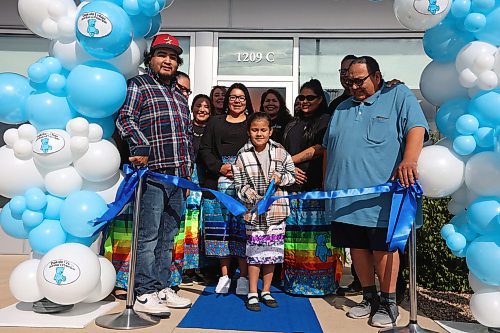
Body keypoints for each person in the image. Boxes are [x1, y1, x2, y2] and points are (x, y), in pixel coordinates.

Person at [323, 56, 428, 328]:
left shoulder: (397, 95)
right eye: (349, 81)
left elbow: (416, 128)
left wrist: (409, 160)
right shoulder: (342, 108)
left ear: (377, 77)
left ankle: (389, 302)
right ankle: (368, 297)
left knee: (384, 248)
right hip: (345, 196)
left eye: (360, 80)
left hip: (382, 197)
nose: (354, 86)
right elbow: (329, 149)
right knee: (357, 248)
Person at [116, 33, 193, 317]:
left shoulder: (179, 96)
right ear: (151, 59)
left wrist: (186, 176)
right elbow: (125, 118)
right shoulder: (139, 85)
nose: (168, 61)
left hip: (177, 177)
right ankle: (144, 292)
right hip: (152, 175)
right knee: (148, 236)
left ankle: (162, 287)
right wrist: (140, 145)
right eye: (162, 55)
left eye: (173, 57)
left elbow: (186, 137)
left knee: (168, 235)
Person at [281, 79, 343, 296]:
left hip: (317, 190)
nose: (305, 101)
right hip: (293, 192)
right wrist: (288, 170)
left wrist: (290, 161)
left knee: (318, 241)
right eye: (302, 97)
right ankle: (294, 282)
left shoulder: (327, 121)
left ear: (320, 99)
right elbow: (281, 154)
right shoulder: (292, 124)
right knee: (295, 239)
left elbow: (318, 149)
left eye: (310, 98)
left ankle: (320, 285)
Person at [232, 112, 296, 311]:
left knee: (272, 254)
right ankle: (252, 292)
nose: (259, 134)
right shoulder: (242, 155)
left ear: (270, 131)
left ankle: (266, 291)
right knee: (254, 254)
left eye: (263, 130)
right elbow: (239, 184)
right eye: (254, 130)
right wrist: (254, 198)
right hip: (254, 212)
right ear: (249, 131)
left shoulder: (280, 151)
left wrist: (281, 179)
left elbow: (292, 176)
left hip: (277, 212)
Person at [198, 83, 254, 295]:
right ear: (227, 100)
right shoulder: (215, 122)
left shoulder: (252, 121)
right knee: (222, 230)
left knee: (242, 230)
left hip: (246, 183)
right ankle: (224, 275)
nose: (237, 101)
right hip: (219, 181)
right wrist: (220, 167)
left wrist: (242, 170)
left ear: (247, 100)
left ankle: (243, 276)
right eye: (233, 97)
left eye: (241, 97)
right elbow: (205, 149)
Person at [171, 94, 213, 287]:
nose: (202, 109)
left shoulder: (213, 129)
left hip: (205, 184)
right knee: (185, 226)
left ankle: (201, 267)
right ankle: (183, 268)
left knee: (201, 227)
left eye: (206, 106)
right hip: (186, 181)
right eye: (198, 105)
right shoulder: (185, 127)